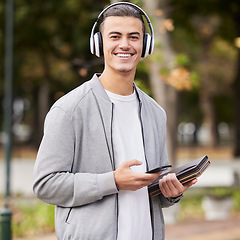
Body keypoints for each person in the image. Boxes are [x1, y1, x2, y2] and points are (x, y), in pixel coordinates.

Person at [33, 2, 197, 240]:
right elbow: (45, 184)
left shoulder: (156, 113)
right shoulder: (69, 110)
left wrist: (171, 192)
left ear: (145, 45)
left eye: (133, 37)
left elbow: (152, 193)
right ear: (99, 44)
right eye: (115, 36)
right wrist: (112, 182)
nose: (125, 44)